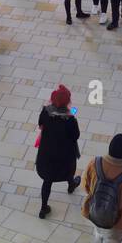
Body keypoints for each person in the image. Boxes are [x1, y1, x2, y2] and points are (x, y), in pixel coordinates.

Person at [35, 85, 82, 219]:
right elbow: (76, 136)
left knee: (47, 180)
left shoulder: (45, 111)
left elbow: (40, 124)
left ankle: (43, 208)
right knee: (68, 170)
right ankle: (71, 184)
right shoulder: (70, 119)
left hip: (47, 154)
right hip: (64, 155)